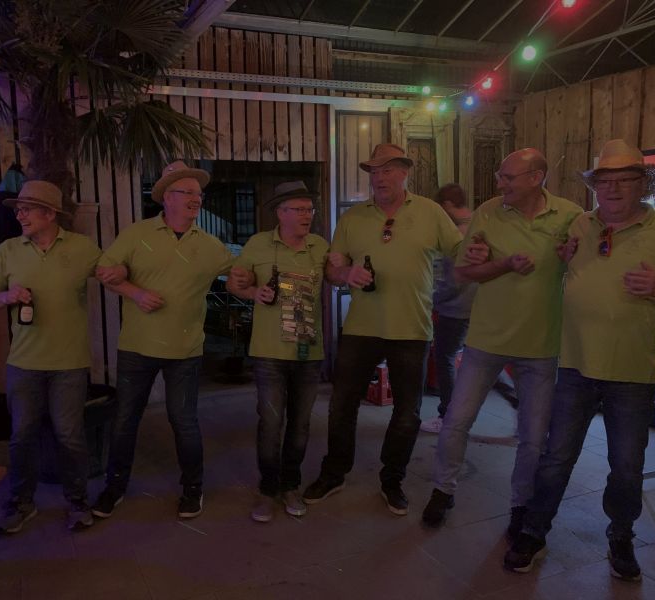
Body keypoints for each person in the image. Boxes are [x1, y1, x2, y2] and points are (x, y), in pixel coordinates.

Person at [504, 139, 655, 581]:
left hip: (632, 370)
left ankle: (621, 535)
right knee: (556, 456)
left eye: (625, 180)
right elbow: (556, 266)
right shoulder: (579, 225)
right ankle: (534, 531)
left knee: (626, 466)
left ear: (642, 185)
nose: (613, 189)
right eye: (605, 181)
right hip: (574, 365)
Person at [422, 149, 582, 535]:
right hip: (485, 341)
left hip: (541, 347)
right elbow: (464, 272)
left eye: (508, 177)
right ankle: (443, 489)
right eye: (500, 175)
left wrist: (571, 259)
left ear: (536, 177)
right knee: (455, 422)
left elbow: (588, 267)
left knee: (533, 438)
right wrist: (503, 264)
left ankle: (520, 505)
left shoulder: (571, 216)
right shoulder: (489, 212)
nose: (500, 183)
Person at [302, 143, 463, 515]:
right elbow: (332, 269)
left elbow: (460, 252)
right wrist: (346, 273)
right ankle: (334, 472)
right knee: (342, 405)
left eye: (387, 170)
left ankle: (392, 480)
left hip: (412, 328)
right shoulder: (353, 218)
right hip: (361, 328)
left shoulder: (430, 212)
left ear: (405, 172)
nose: (379, 177)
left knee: (407, 413)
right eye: (374, 171)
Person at [91, 160, 236, 520]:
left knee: (184, 422)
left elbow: (238, 275)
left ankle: (193, 489)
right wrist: (135, 291)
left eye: (199, 194)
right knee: (125, 420)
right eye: (187, 192)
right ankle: (114, 488)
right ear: (167, 198)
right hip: (136, 348)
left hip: (186, 350)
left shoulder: (211, 245)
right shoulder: (136, 234)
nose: (196, 199)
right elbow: (105, 271)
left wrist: (253, 282)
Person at [0, 180, 102, 533]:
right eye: (18, 210)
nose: (19, 215)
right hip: (23, 363)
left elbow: (112, 274)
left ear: (50, 214)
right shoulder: (8, 250)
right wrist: (6, 297)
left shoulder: (82, 247)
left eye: (27, 210)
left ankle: (77, 502)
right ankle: (22, 503)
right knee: (22, 436)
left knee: (70, 436)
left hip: (69, 363)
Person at [226, 181, 329, 523]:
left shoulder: (320, 246)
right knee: (271, 422)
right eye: (298, 209)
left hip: (308, 352)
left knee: (300, 424)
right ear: (280, 213)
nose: (307, 215)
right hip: (269, 352)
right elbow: (235, 283)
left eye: (309, 209)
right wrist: (253, 292)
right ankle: (268, 489)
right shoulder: (257, 244)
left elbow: (338, 275)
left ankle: (291, 486)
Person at [421, 183, 477, 434]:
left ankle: (449, 417)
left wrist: (431, 299)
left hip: (456, 308)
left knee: (445, 359)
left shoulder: (458, 235)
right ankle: (514, 398)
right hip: (479, 307)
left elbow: (455, 281)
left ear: (446, 206)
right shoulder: (479, 225)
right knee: (480, 359)